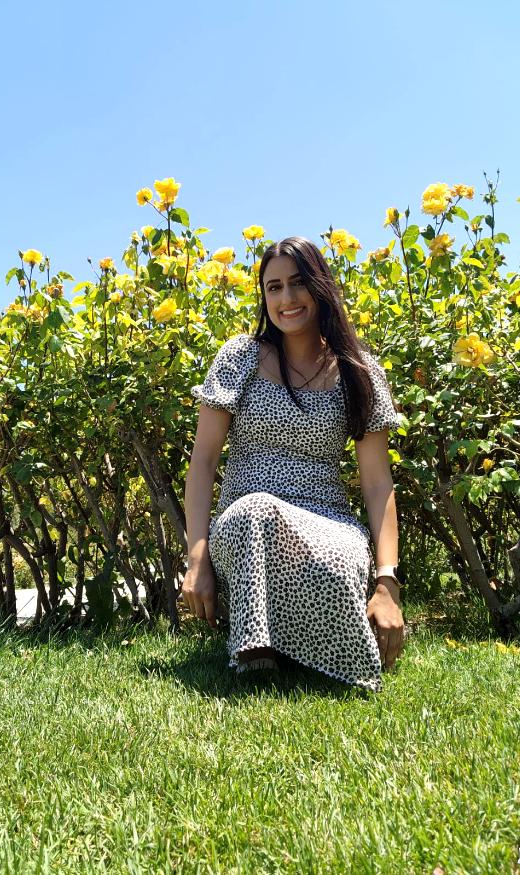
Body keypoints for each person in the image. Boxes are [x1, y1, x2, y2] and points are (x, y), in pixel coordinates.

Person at [181, 236, 405, 692]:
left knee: (340, 562)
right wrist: (196, 557)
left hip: (328, 523)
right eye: (274, 287)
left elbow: (378, 485)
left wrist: (387, 584)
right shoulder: (240, 358)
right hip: (244, 524)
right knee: (258, 511)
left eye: (299, 283)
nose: (287, 298)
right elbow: (202, 463)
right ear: (264, 297)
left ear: (320, 286)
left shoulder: (358, 371)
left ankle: (323, 655)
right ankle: (257, 657)